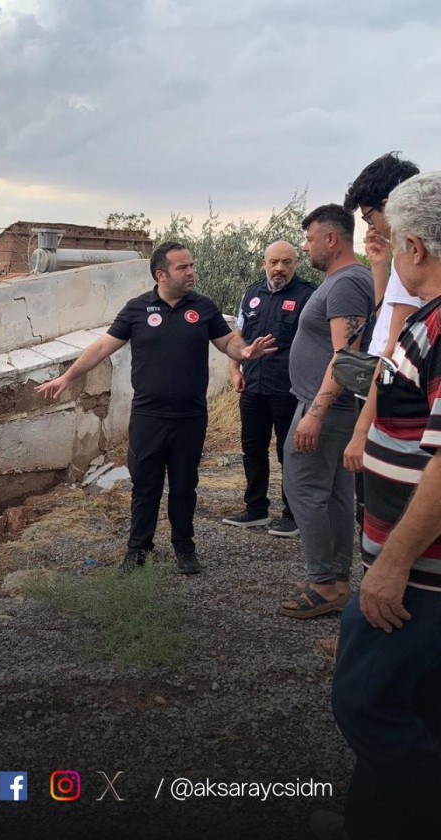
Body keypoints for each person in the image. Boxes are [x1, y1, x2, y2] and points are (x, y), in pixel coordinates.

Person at [311, 172, 441, 840]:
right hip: (411, 563)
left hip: (418, 573)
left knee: (363, 702)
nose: (378, 253)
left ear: (413, 245)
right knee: (420, 702)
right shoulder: (422, 317)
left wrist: (391, 565)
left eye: (385, 240)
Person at [35, 241, 275, 575]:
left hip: (190, 417)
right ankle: (138, 550)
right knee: (145, 486)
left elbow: (227, 342)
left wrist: (244, 352)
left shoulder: (203, 307)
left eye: (191, 265)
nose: (191, 272)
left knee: (183, 486)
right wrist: (67, 377)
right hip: (148, 416)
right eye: (183, 267)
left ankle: (184, 547)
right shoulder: (137, 309)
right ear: (161, 274)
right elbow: (103, 345)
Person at [278, 205, 374, 618]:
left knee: (304, 490)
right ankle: (336, 583)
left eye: (309, 239)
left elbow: (346, 357)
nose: (306, 247)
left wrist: (315, 413)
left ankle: (322, 584)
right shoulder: (345, 281)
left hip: (327, 407)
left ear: (331, 239)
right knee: (334, 494)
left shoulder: (348, 283)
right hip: (329, 406)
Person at [342, 153, 421, 502]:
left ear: (390, 204)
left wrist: (360, 432)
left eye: (369, 216)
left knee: (380, 506)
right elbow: (385, 321)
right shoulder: (404, 254)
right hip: (383, 391)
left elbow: (393, 350)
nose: (369, 226)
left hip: (392, 397)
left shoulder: (415, 253)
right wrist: (379, 266)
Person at [222, 241, 314, 537]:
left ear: (296, 263)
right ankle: (255, 509)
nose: (279, 268)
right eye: (274, 262)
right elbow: (238, 335)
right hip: (253, 387)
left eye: (286, 262)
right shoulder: (251, 294)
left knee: (289, 453)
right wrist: (235, 370)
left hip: (288, 389)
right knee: (252, 449)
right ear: (264, 263)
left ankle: (293, 514)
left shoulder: (307, 296)